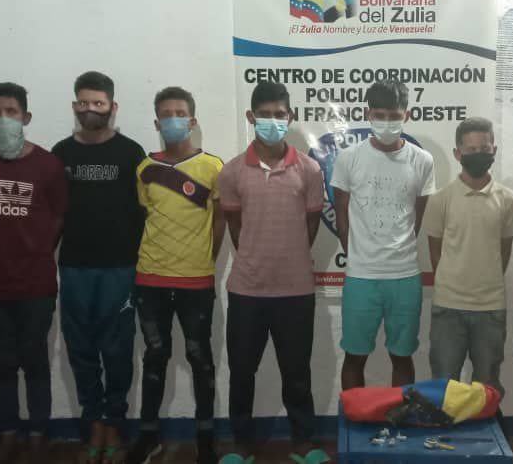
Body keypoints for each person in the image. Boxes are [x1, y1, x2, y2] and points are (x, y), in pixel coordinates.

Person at [0, 82, 68, 462]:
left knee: (35, 361)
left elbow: (58, 218)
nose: (4, 118)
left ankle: (38, 433)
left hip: (36, 284)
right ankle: (7, 431)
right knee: (2, 363)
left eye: (12, 112)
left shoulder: (49, 165)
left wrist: (36, 251)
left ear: (26, 117)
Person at [218, 81, 324, 459]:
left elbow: (311, 225)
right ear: (251, 117)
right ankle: (241, 444)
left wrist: (288, 255)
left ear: (290, 117)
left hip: (296, 290)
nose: (273, 121)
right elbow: (234, 226)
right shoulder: (231, 172)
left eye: (280, 114)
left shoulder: (310, 170)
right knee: (241, 371)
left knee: (297, 373)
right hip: (247, 289)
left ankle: (303, 441)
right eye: (265, 114)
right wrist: (256, 255)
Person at [52, 71, 146, 464]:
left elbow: (144, 213)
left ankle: (114, 423)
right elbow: (53, 214)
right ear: (75, 106)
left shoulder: (131, 152)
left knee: (118, 350)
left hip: (120, 268)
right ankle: (93, 421)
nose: (91, 109)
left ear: (112, 107)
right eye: (84, 102)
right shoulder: (60, 153)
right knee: (81, 350)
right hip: (74, 267)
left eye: (99, 103)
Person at [127, 87, 224, 464]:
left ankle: (206, 437)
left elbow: (220, 223)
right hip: (150, 279)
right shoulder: (144, 168)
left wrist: (206, 258)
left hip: (196, 280)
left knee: (201, 358)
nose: (173, 120)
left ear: (192, 120)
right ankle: (148, 435)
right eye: (165, 114)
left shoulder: (213, 167)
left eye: (180, 113)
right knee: (155, 357)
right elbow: (143, 217)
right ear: (157, 123)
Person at [332, 79, 436, 390]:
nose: (387, 122)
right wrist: (357, 255)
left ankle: (400, 418)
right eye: (379, 115)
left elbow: (417, 216)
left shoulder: (423, 160)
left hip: (405, 276)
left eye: (394, 116)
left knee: (402, 357)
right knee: (354, 357)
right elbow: (341, 214)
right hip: (361, 277)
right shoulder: (349, 157)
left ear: (407, 115)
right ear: (368, 114)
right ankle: (353, 416)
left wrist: (397, 249)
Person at [424, 117, 513, 397]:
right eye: (471, 149)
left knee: (487, 388)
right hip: (448, 307)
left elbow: (504, 250)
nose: (479, 154)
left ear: (494, 150)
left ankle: (485, 428)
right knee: (443, 386)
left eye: (484, 148)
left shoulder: (509, 200)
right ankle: (444, 427)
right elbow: (435, 251)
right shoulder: (440, 199)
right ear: (458, 154)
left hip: (491, 307)